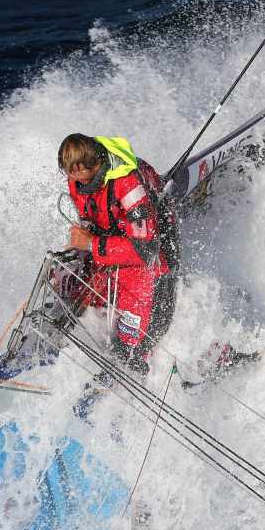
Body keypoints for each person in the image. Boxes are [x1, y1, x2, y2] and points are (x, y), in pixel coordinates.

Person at [57, 134, 177, 374]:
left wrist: (92, 244)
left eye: (81, 176)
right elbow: (93, 214)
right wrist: (85, 235)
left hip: (150, 255)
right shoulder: (76, 179)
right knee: (70, 292)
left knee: (131, 344)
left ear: (94, 167)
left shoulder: (128, 185)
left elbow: (146, 249)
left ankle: (140, 364)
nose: (75, 182)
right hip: (111, 249)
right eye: (70, 175)